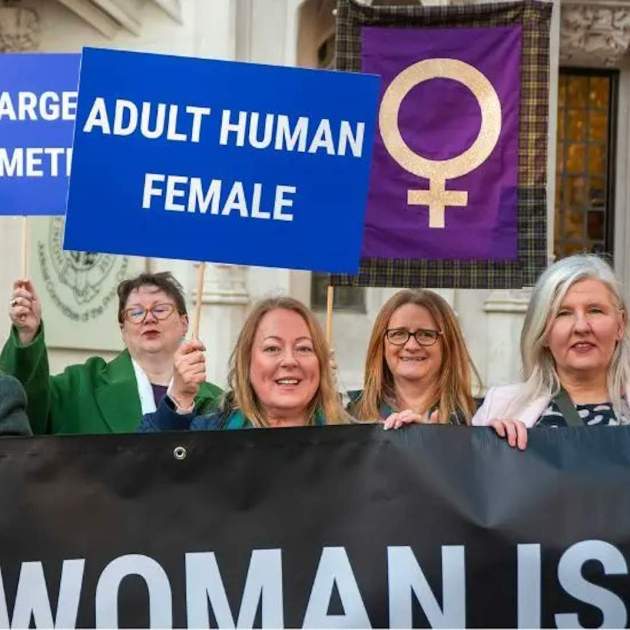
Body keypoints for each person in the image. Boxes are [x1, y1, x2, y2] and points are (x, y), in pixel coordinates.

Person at [0, 272, 222, 434]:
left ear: (184, 323)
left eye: (160, 309)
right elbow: (23, 408)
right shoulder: (81, 386)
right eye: (136, 312)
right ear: (123, 329)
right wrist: (27, 335)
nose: (149, 318)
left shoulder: (218, 402)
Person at [473, 254, 630, 449]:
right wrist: (487, 447)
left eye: (595, 310)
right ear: (543, 332)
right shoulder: (501, 407)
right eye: (563, 313)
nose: (581, 327)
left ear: (620, 325)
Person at [139, 296, 348, 431]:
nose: (289, 360)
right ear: (246, 362)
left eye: (304, 348)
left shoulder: (354, 443)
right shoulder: (212, 434)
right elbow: (146, 470)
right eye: (272, 348)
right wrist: (180, 396)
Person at [349, 289, 480, 427]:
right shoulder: (351, 417)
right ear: (381, 344)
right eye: (399, 333)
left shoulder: (478, 420)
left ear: (448, 345)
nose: (411, 346)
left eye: (426, 334)